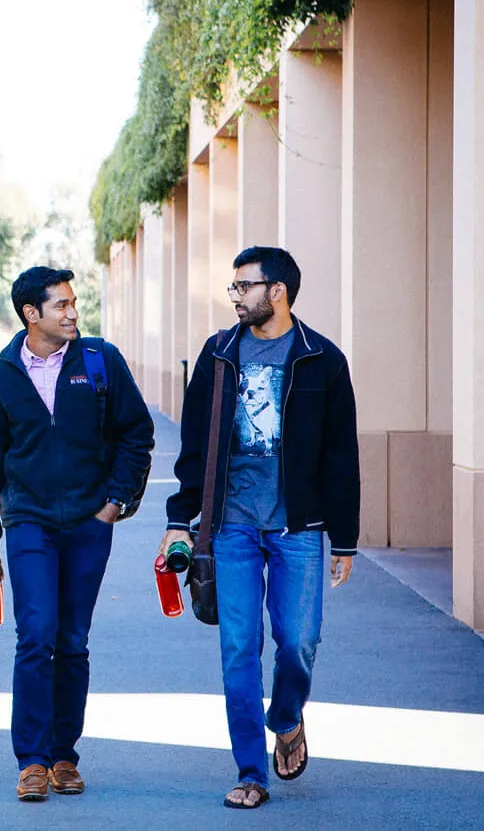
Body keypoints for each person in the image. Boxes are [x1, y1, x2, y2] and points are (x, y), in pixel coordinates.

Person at [163, 246, 359, 810]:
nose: (235, 296)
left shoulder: (322, 358)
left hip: (297, 526)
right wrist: (181, 520)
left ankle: (289, 716)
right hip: (233, 527)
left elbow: (341, 455)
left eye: (243, 286)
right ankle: (251, 770)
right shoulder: (219, 353)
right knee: (238, 648)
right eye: (233, 287)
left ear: (277, 290)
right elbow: (195, 443)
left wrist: (343, 537)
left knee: (299, 642)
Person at [0, 267, 155, 802]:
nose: (73, 312)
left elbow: (136, 434)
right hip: (27, 523)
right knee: (36, 635)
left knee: (72, 641)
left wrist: (113, 504)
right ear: (32, 314)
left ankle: (63, 756)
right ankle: (31, 761)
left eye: (74, 303)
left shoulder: (101, 362)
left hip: (87, 524)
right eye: (62, 305)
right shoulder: (2, 375)